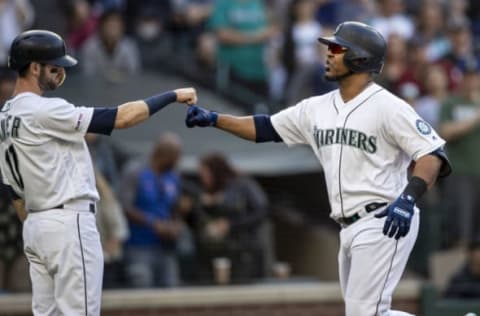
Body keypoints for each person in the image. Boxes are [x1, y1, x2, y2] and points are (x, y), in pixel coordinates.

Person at [184, 21, 451, 315]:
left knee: (365, 313)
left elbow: (432, 153)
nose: (328, 53)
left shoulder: (389, 107)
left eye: (337, 48)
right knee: (368, 313)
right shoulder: (316, 108)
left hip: (385, 216)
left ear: (359, 58)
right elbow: (265, 128)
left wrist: (409, 197)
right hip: (348, 225)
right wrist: (214, 119)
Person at [0, 30, 196, 315]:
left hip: (36, 226)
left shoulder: (4, 117)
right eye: (54, 67)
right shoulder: (44, 109)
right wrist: (172, 95)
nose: (60, 73)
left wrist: (39, 225)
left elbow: (13, 190)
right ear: (34, 67)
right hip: (67, 220)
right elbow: (123, 118)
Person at [120, 133, 185, 288]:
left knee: (171, 289)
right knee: (142, 289)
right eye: (175, 156)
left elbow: (174, 207)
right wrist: (153, 223)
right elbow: (124, 206)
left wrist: (176, 224)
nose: (178, 161)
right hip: (139, 246)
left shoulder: (173, 176)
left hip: (166, 246)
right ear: (164, 154)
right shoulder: (136, 172)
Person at [195, 153, 269, 284]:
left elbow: (261, 212)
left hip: (247, 252)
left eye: (205, 173)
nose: (203, 178)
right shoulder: (212, 192)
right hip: (222, 254)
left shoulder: (242, 185)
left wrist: (231, 225)